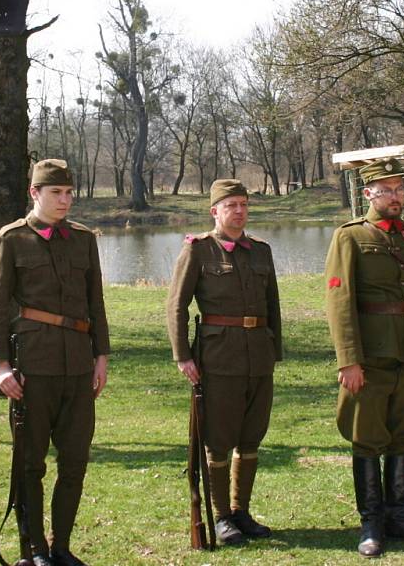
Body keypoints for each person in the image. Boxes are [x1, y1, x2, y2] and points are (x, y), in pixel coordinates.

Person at [324, 157, 404, 558]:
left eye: (400, 189)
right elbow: (339, 302)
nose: (395, 196)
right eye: (386, 190)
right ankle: (372, 522)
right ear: (368, 194)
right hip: (371, 358)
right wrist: (349, 360)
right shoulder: (350, 237)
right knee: (367, 438)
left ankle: (399, 516)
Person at [0, 158, 110, 566]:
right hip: (31, 368)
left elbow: (96, 303)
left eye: (69, 192)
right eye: (56, 192)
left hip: (77, 367)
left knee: (74, 460)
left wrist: (101, 355)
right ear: (34, 194)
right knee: (30, 464)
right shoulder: (12, 239)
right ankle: (34, 548)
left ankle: (61, 547)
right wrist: (0, 365)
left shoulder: (82, 239)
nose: (65, 200)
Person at [166, 179, 282, 546]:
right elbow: (176, 305)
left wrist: (274, 352)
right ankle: (221, 517)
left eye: (244, 204)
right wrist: (183, 355)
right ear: (215, 210)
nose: (239, 211)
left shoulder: (260, 251)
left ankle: (241, 511)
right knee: (218, 441)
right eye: (231, 205)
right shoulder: (199, 250)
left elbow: (273, 307)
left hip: (258, 358)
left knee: (251, 438)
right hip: (218, 359)